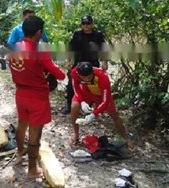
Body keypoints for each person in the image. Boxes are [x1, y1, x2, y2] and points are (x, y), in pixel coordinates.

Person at [8, 16, 65, 179]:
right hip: (37, 96)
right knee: (35, 132)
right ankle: (32, 169)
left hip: (20, 93)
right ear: (39, 32)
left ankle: (20, 151)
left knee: (22, 123)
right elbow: (59, 75)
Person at [70, 62, 133, 149]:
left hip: (101, 95)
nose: (86, 80)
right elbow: (76, 88)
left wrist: (93, 114)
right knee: (74, 106)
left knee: (114, 116)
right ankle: (76, 135)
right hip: (86, 92)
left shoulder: (102, 76)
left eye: (89, 77)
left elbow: (105, 101)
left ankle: (125, 138)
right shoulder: (74, 72)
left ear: (92, 73)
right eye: (83, 78)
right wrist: (82, 101)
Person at [64, 14, 108, 114]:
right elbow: (70, 49)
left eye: (88, 23)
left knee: (93, 86)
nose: (86, 25)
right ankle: (69, 106)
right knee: (71, 84)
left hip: (93, 64)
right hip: (79, 63)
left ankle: (90, 107)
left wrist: (105, 62)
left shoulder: (98, 35)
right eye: (83, 23)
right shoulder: (77, 35)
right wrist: (68, 61)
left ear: (92, 24)